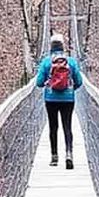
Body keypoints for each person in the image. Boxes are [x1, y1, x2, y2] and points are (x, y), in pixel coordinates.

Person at [35, 34, 83, 168]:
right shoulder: (71, 62)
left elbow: (38, 83)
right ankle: (69, 154)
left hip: (51, 99)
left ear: (51, 47)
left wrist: (47, 83)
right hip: (68, 98)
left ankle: (54, 157)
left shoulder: (46, 62)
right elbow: (79, 82)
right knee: (67, 126)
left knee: (53, 127)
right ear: (63, 46)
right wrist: (71, 88)